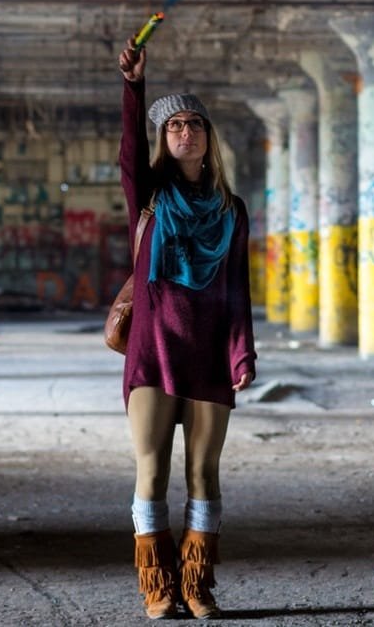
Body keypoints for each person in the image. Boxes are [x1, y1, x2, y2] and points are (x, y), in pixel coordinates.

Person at [116, 36, 257, 620]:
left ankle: (197, 584)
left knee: (204, 472)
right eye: (172, 126)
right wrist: (133, 87)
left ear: (207, 137)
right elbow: (127, 154)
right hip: (152, 352)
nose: (184, 132)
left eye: (193, 124)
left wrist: (242, 352)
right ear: (163, 139)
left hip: (207, 354)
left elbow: (240, 289)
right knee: (152, 470)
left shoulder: (232, 209)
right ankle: (157, 585)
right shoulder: (148, 196)